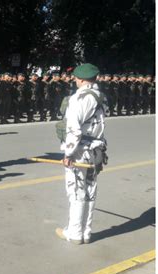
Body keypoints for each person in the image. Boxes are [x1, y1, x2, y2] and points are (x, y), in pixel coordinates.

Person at [55, 63, 107, 245]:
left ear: (82, 79)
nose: (74, 81)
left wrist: (68, 154)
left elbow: (74, 130)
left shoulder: (80, 98)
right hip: (95, 151)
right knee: (90, 192)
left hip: (80, 151)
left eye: (76, 78)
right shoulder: (99, 96)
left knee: (76, 192)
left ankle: (75, 233)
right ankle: (86, 232)